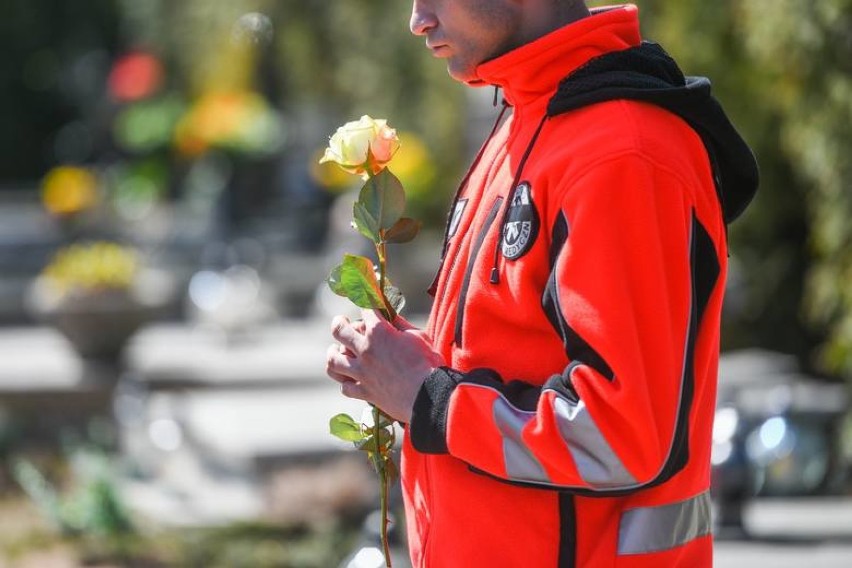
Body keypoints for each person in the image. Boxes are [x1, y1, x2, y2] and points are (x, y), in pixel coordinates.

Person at [325, 1, 758, 566]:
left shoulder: (622, 150)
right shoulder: (529, 115)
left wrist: (429, 398)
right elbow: (511, 350)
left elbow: (621, 435)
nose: (418, 20)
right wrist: (403, 365)